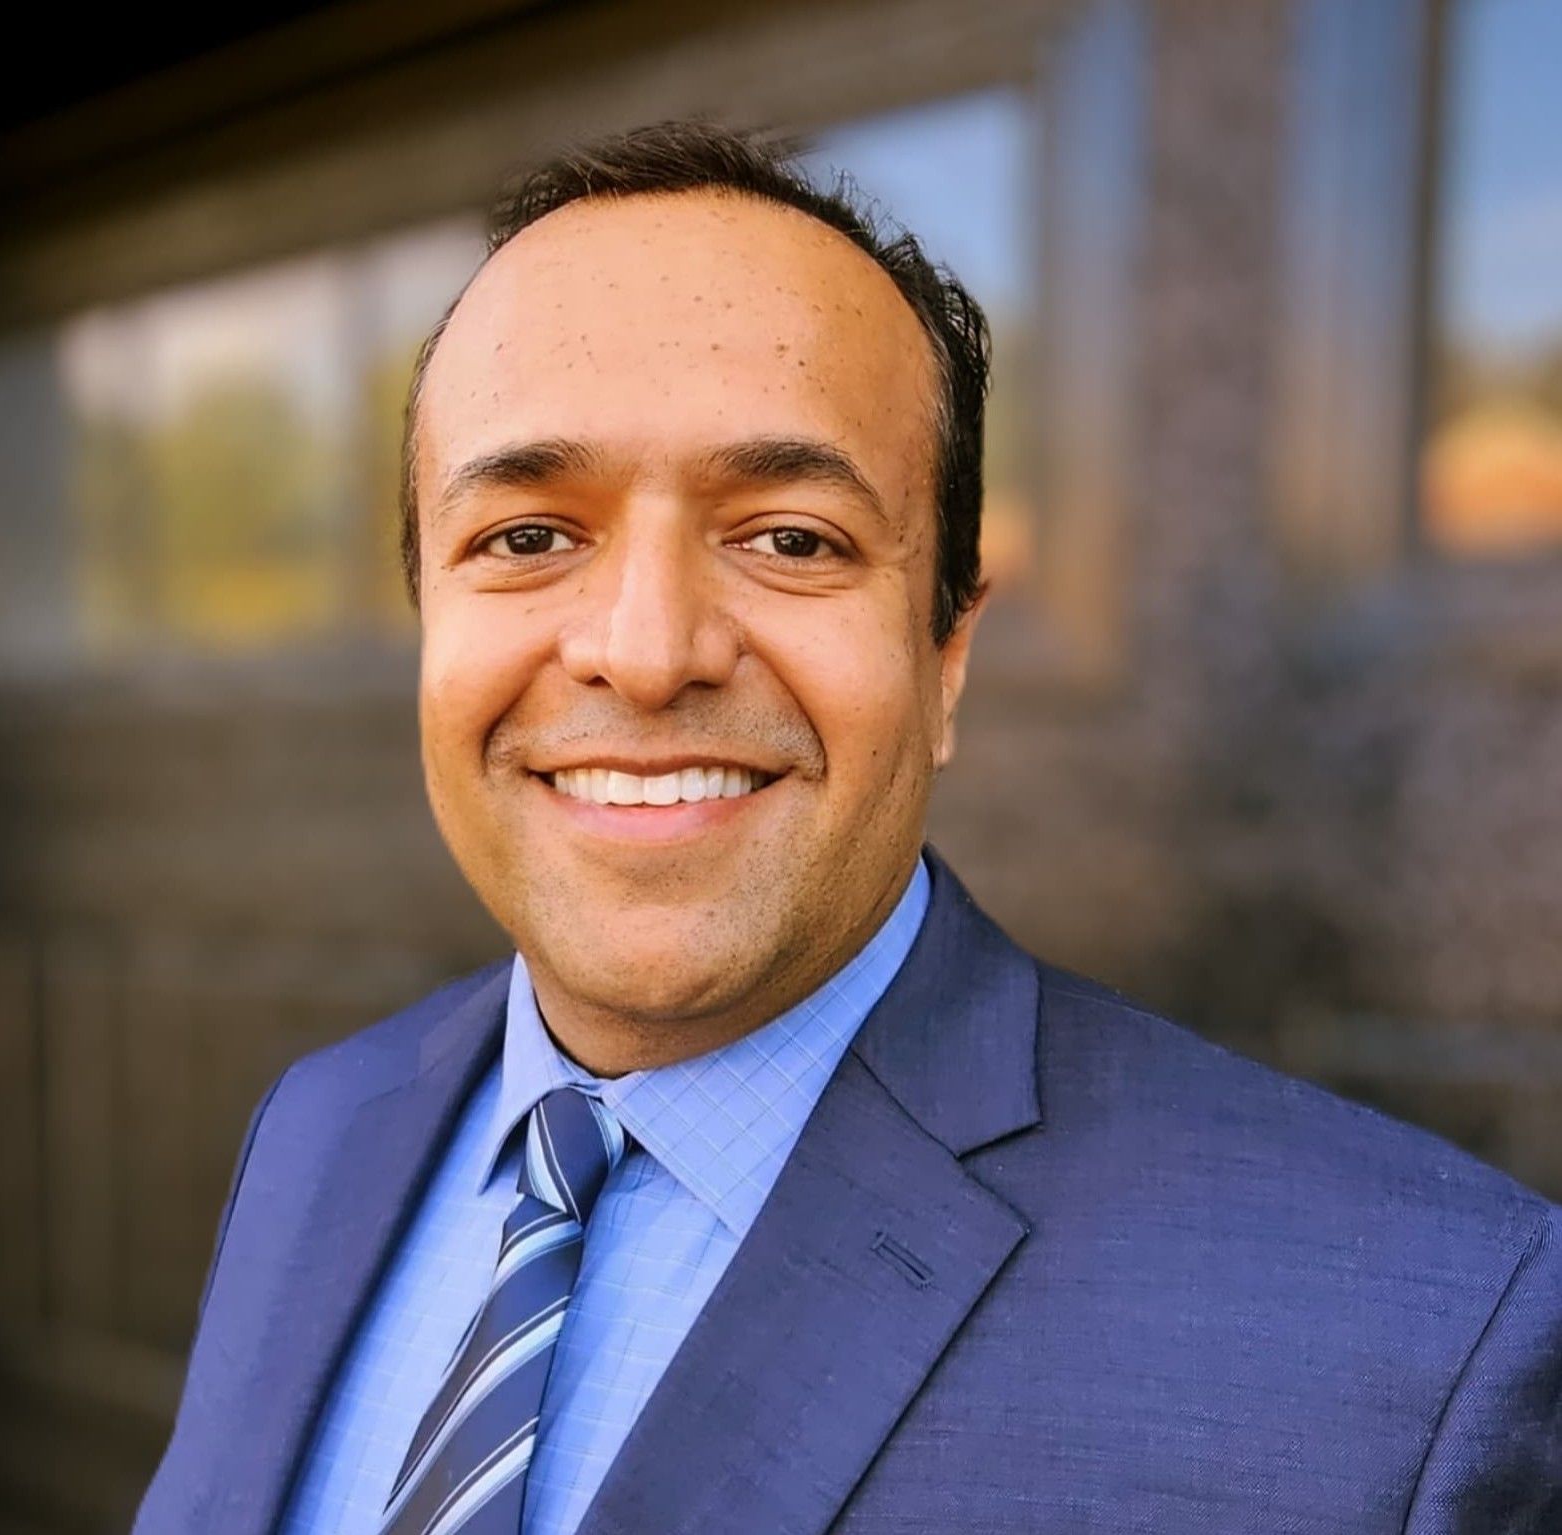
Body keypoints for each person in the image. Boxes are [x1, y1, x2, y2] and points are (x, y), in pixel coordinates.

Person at [133, 121, 1562, 1535]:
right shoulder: (322, 1125)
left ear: (945, 656)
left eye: (790, 538)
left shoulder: (1420, 1343)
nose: (645, 652)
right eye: (527, 538)